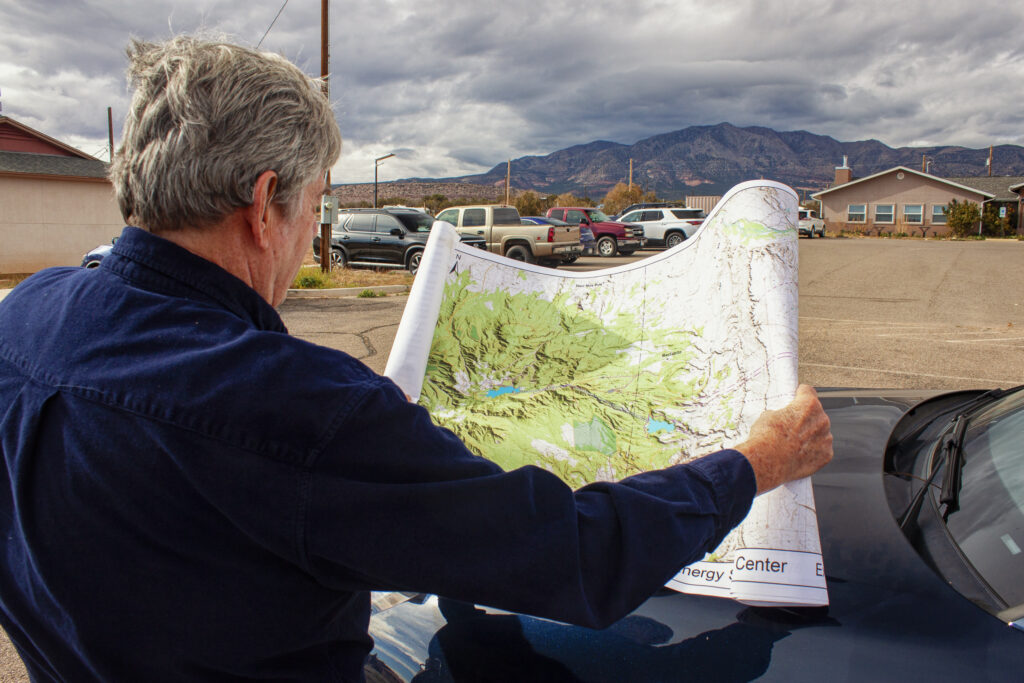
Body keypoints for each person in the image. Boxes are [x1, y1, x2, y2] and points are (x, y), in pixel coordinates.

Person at [0, 36, 832, 682]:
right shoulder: (298, 406)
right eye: (317, 205)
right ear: (263, 205)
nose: (310, 236)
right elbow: (573, 555)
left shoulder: (21, 319)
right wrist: (752, 464)